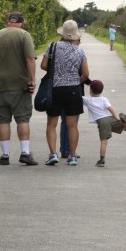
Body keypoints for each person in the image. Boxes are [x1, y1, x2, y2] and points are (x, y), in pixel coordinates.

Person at [0, 11, 38, 165]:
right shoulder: (24, 35)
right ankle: (25, 153)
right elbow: (30, 58)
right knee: (22, 118)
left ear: (8, 22)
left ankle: (5, 155)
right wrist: (32, 80)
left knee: (3, 121)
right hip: (19, 84)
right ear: (22, 22)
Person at [41, 19, 88, 166]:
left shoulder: (52, 46)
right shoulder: (80, 51)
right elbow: (85, 74)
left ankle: (53, 154)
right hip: (73, 89)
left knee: (51, 124)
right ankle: (72, 156)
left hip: (55, 88)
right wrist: (75, 81)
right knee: (72, 125)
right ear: (75, 35)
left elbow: (43, 65)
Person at [82, 79, 126, 167]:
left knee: (104, 141)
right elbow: (110, 108)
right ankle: (124, 123)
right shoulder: (104, 99)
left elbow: (78, 97)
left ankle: (102, 160)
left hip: (102, 122)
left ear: (90, 90)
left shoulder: (88, 101)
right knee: (124, 128)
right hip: (110, 118)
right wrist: (117, 117)